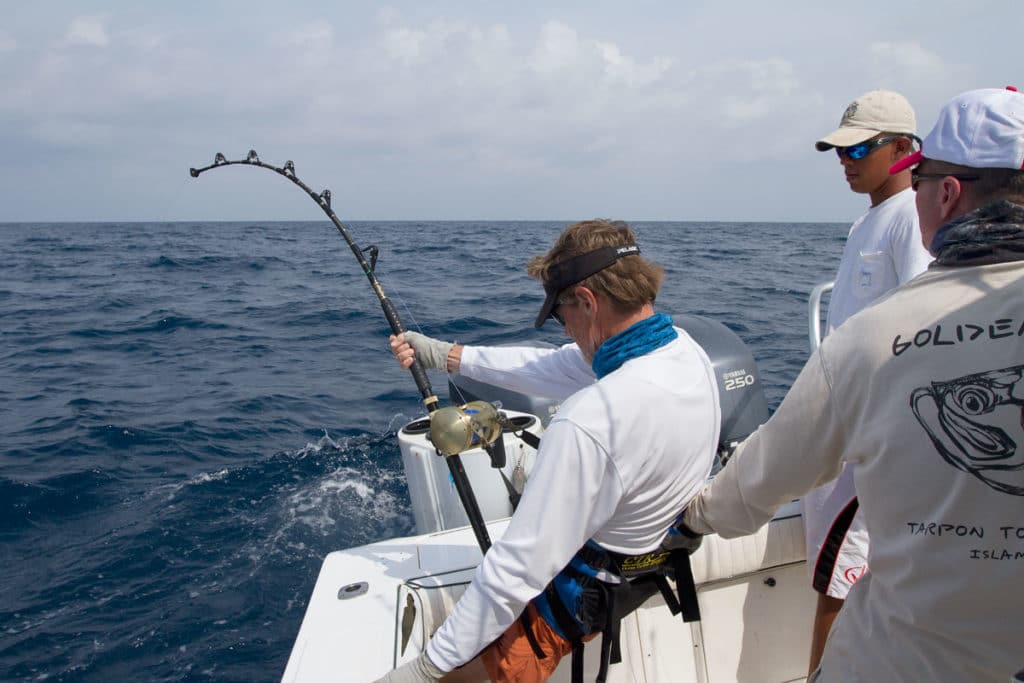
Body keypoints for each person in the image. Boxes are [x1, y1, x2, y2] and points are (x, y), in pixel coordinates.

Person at [682, 87, 1024, 682]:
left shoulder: (873, 340)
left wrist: (691, 517)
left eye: (921, 178)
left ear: (944, 194)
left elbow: (763, 477)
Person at [378, 219, 720, 682]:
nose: (566, 331)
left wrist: (426, 668)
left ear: (587, 301)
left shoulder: (590, 418)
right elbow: (555, 365)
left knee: (464, 666)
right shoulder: (683, 350)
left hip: (587, 591)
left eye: (561, 317)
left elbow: (515, 572)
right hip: (655, 558)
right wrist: (445, 355)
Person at [802, 88, 933, 671]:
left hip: (874, 437)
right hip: (847, 424)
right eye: (840, 151)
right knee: (839, 576)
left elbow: (925, 328)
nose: (846, 161)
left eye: (860, 150)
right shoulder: (870, 219)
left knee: (840, 579)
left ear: (904, 148)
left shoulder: (911, 218)